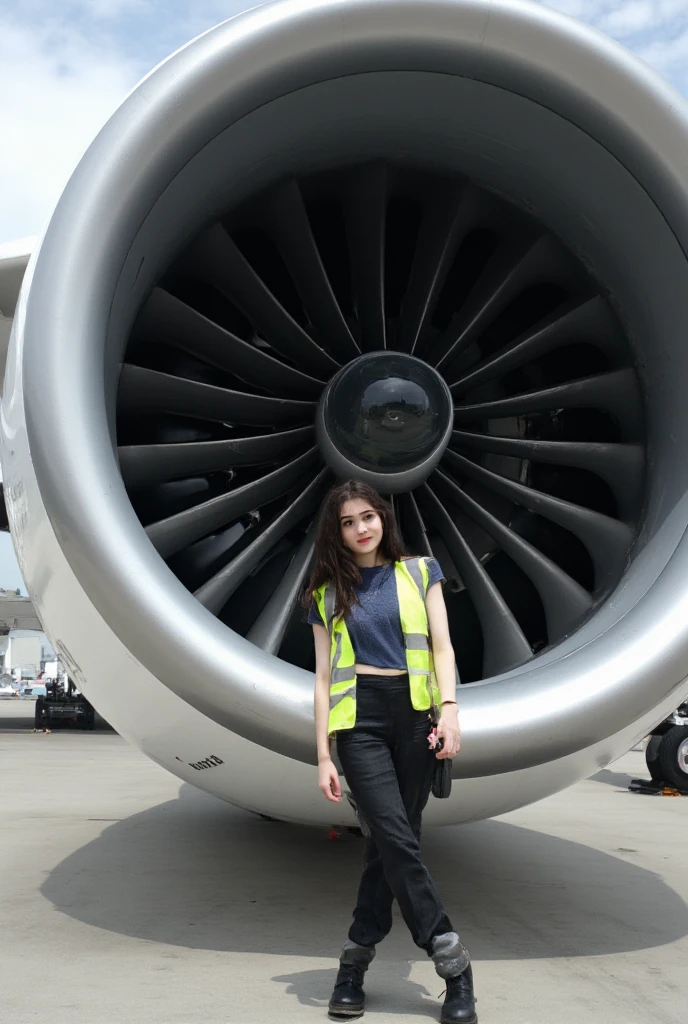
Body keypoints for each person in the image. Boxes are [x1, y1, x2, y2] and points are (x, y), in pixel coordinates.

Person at [305, 480, 476, 1024]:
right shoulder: (325, 593)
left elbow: (443, 645)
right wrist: (324, 756)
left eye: (368, 517)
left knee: (391, 845)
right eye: (348, 522)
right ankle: (452, 961)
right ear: (337, 532)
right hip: (360, 723)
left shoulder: (420, 571)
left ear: (384, 518)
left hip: (415, 717)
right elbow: (323, 677)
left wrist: (449, 710)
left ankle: (354, 963)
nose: (360, 529)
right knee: (396, 837)